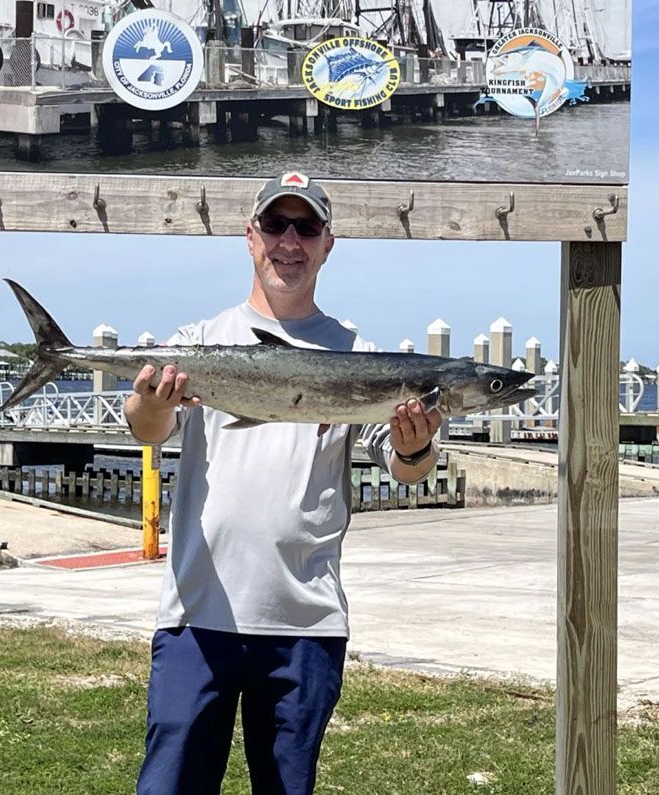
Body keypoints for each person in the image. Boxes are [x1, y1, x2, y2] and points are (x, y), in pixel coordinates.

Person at [126, 171, 443, 795]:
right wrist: (155, 401)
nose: (289, 242)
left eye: (306, 228)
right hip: (198, 613)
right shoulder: (199, 342)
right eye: (276, 225)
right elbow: (145, 426)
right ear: (250, 237)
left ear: (328, 243)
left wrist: (416, 445)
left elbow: (406, 464)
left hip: (305, 620)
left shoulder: (359, 354)